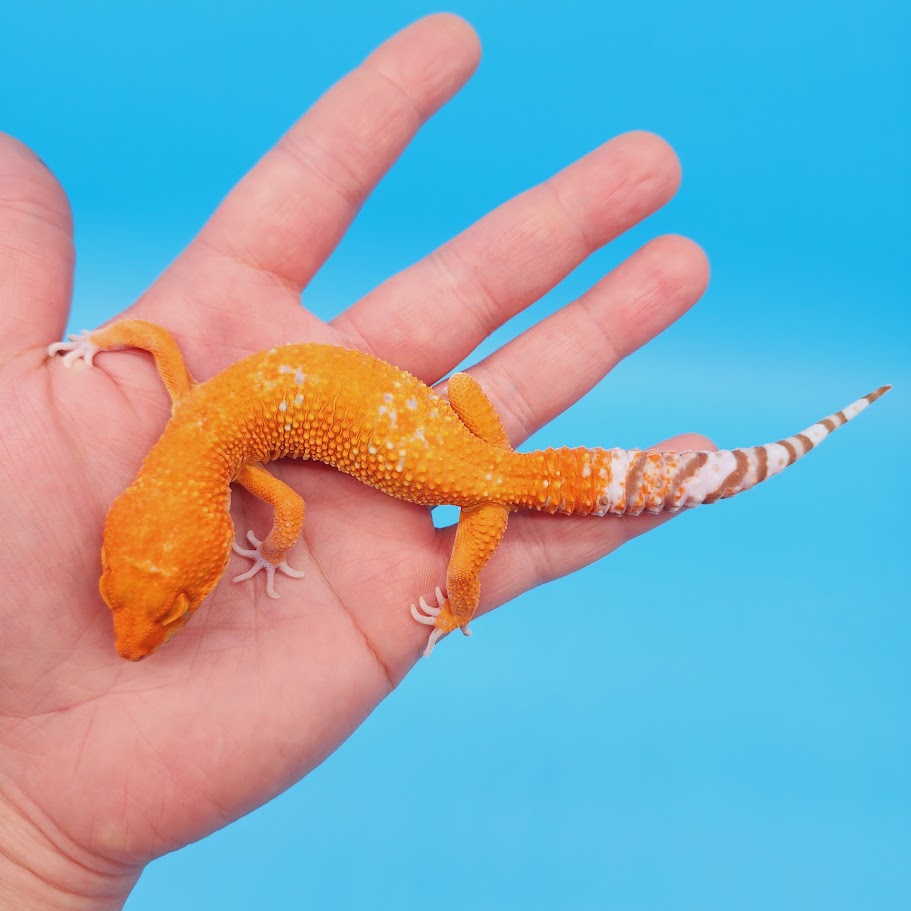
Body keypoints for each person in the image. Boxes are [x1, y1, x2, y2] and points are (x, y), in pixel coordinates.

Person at [0, 14, 710, 908]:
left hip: (471, 482)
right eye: (139, 602)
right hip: (466, 440)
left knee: (483, 510)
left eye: (167, 603)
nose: (137, 631)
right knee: (484, 458)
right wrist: (103, 341)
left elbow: (281, 507)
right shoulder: (204, 426)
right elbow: (154, 344)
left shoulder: (206, 441)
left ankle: (460, 602)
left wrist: (442, 596)